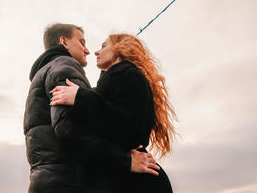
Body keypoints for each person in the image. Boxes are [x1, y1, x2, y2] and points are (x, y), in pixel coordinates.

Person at [24, 24, 159, 193]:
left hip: (51, 179)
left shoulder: (44, 72)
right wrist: (126, 160)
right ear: (63, 42)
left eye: (103, 46)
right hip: (69, 182)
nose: (89, 50)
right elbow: (70, 130)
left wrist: (81, 96)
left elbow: (127, 125)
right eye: (81, 42)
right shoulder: (64, 66)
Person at [51, 33, 175, 193]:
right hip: (129, 180)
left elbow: (133, 131)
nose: (95, 52)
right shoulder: (113, 78)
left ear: (120, 49)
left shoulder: (129, 74)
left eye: (103, 46)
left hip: (141, 183)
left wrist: (80, 97)